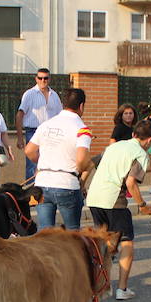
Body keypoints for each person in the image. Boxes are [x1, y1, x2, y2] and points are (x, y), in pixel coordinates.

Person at [85, 119, 151, 300]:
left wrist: (81, 183)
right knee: (127, 243)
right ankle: (122, 289)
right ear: (150, 140)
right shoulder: (141, 154)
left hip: (94, 198)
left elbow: (91, 163)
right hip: (114, 200)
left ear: (133, 135)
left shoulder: (114, 146)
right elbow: (131, 182)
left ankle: (98, 285)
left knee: (104, 244)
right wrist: (142, 205)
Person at [24, 87, 91, 229]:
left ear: (63, 104)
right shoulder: (82, 129)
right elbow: (81, 160)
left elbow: (29, 150)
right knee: (72, 234)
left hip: (42, 182)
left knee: (45, 234)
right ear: (81, 106)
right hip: (67, 183)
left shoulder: (46, 124)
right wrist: (79, 170)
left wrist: (43, 163)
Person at [16, 69, 62, 179]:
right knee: (32, 166)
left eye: (45, 78)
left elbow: (60, 117)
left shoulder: (54, 95)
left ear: (49, 79)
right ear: (36, 79)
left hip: (51, 134)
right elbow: (19, 115)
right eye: (40, 78)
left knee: (49, 164)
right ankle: (31, 194)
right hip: (33, 132)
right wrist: (19, 137)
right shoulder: (29, 94)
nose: (43, 80)